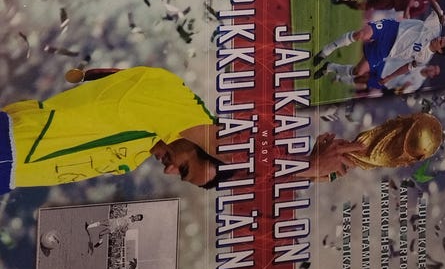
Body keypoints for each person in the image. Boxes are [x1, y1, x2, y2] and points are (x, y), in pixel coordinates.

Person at [0, 63, 366, 193]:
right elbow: (229, 149)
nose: (169, 170)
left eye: (180, 175)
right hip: (10, 145)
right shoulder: (173, 100)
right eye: (185, 167)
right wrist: (305, 166)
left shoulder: (140, 149)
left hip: (9, 175)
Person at [313, 0, 445, 86]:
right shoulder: (435, 28)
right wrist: (440, 14)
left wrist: (390, 77)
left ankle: (329, 67)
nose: (439, 38)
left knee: (358, 72)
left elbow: (408, 67)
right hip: (391, 29)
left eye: (441, 42)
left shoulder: (424, 58)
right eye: (441, 37)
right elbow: (432, 1)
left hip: (387, 50)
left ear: (440, 51)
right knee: (360, 35)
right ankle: (326, 51)